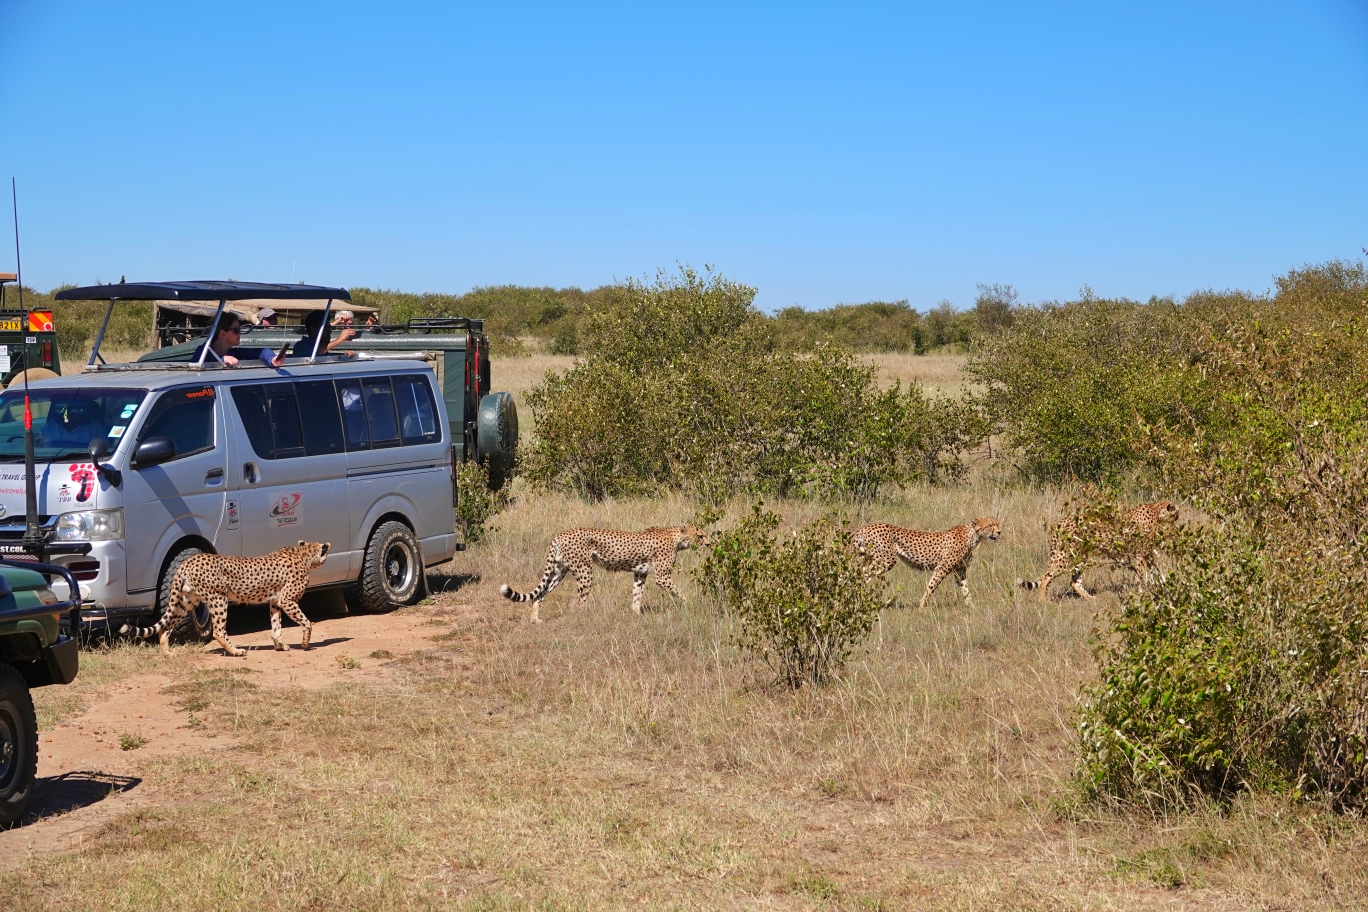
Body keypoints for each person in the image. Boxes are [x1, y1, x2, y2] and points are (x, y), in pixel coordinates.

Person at [193, 313, 286, 367]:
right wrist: (221, 359)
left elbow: (261, 351)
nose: (240, 333)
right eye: (236, 330)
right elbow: (195, 368)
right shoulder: (202, 352)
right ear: (223, 334)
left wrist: (272, 360)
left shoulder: (233, 353)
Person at [39, 398, 105, 449]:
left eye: (75, 409)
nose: (68, 412)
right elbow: (40, 450)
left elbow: (103, 456)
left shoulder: (96, 429)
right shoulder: (48, 428)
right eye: (63, 409)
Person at [291, 310, 357, 358]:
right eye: (326, 328)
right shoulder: (300, 346)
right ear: (313, 329)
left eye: (330, 328)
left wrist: (344, 356)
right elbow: (316, 352)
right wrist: (338, 340)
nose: (330, 331)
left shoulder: (321, 346)